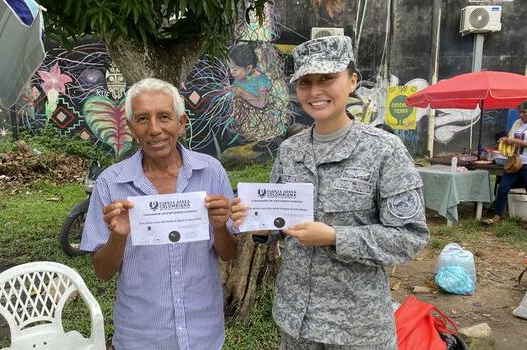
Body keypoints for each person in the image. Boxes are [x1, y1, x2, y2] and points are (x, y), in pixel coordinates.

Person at [231, 36, 429, 349]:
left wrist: (336, 237)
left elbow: (410, 238)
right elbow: (278, 225)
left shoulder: (383, 151)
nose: (315, 92)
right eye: (305, 82)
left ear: (351, 81)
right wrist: (257, 224)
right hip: (296, 323)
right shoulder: (289, 151)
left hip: (357, 330)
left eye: (327, 79)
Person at [80, 78, 237, 350]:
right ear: (130, 127)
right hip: (141, 336)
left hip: (203, 334)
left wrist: (221, 226)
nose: (154, 129)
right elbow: (103, 272)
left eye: (164, 117)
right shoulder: (110, 183)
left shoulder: (211, 172)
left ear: (181, 122)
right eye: (142, 119)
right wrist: (117, 238)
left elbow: (229, 254)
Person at [483, 101, 527, 225]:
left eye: (524, 112)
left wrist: (512, 140)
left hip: (526, 163)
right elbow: (510, 137)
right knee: (502, 188)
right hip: (513, 161)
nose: (521, 115)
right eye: (520, 112)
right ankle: (497, 217)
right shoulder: (518, 123)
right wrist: (505, 140)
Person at [228, 44, 271, 108]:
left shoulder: (261, 80)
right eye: (230, 68)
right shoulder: (240, 77)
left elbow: (261, 104)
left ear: (249, 68)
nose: (231, 72)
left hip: (254, 116)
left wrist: (241, 92)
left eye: (235, 69)